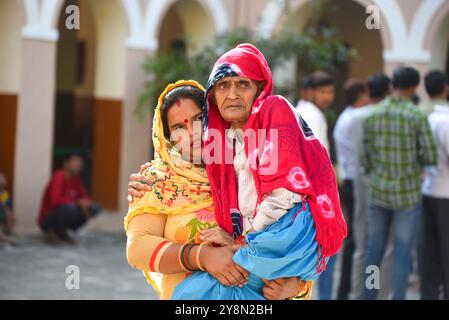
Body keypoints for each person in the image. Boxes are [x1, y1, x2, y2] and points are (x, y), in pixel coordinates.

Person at [168, 44, 346, 300]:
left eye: (243, 84)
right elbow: (176, 164)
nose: (232, 94)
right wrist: (148, 179)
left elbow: (285, 194)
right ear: (213, 96)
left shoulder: (274, 110)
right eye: (223, 85)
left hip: (285, 235)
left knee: (193, 294)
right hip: (265, 247)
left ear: (259, 89)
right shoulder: (224, 139)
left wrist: (241, 242)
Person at [125, 80, 309, 300]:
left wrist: (298, 284)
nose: (191, 133)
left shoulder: (251, 170)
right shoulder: (158, 181)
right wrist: (200, 256)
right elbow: (137, 248)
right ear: (169, 140)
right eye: (178, 127)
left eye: (197, 120)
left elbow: (294, 235)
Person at [362, 66, 437, 300]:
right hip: (408, 195)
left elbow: (364, 158)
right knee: (403, 253)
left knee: (374, 250)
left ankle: (369, 296)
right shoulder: (417, 116)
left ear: (393, 84)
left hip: (379, 194)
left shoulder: (372, 114)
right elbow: (430, 156)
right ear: (415, 87)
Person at [333, 79, 370, 299]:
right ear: (361, 95)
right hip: (354, 184)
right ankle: (350, 290)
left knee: (355, 240)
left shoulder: (347, 117)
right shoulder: (354, 119)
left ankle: (347, 289)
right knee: (358, 241)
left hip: (349, 182)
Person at [419, 70, 449, 300]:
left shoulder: (426, 118)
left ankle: (429, 294)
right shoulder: (445, 120)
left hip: (427, 190)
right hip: (445, 193)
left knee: (430, 250)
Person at [38, 154, 101, 244]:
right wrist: (78, 203)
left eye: (79, 164)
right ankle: (51, 231)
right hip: (48, 217)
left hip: (68, 209)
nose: (77, 167)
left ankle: (62, 232)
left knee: (94, 208)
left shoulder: (76, 179)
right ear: (66, 164)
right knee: (70, 208)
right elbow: (55, 200)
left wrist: (86, 205)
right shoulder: (59, 176)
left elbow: (85, 197)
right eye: (74, 163)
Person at [296, 71, 335, 152]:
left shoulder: (302, 110)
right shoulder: (311, 114)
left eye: (330, 92)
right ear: (309, 92)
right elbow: (315, 152)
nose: (327, 97)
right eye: (322, 92)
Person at [0, 172, 15, 244]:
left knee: (9, 214)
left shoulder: (3, 194)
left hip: (1, 213)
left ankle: (7, 232)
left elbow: (6, 206)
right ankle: (3, 237)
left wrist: (8, 212)